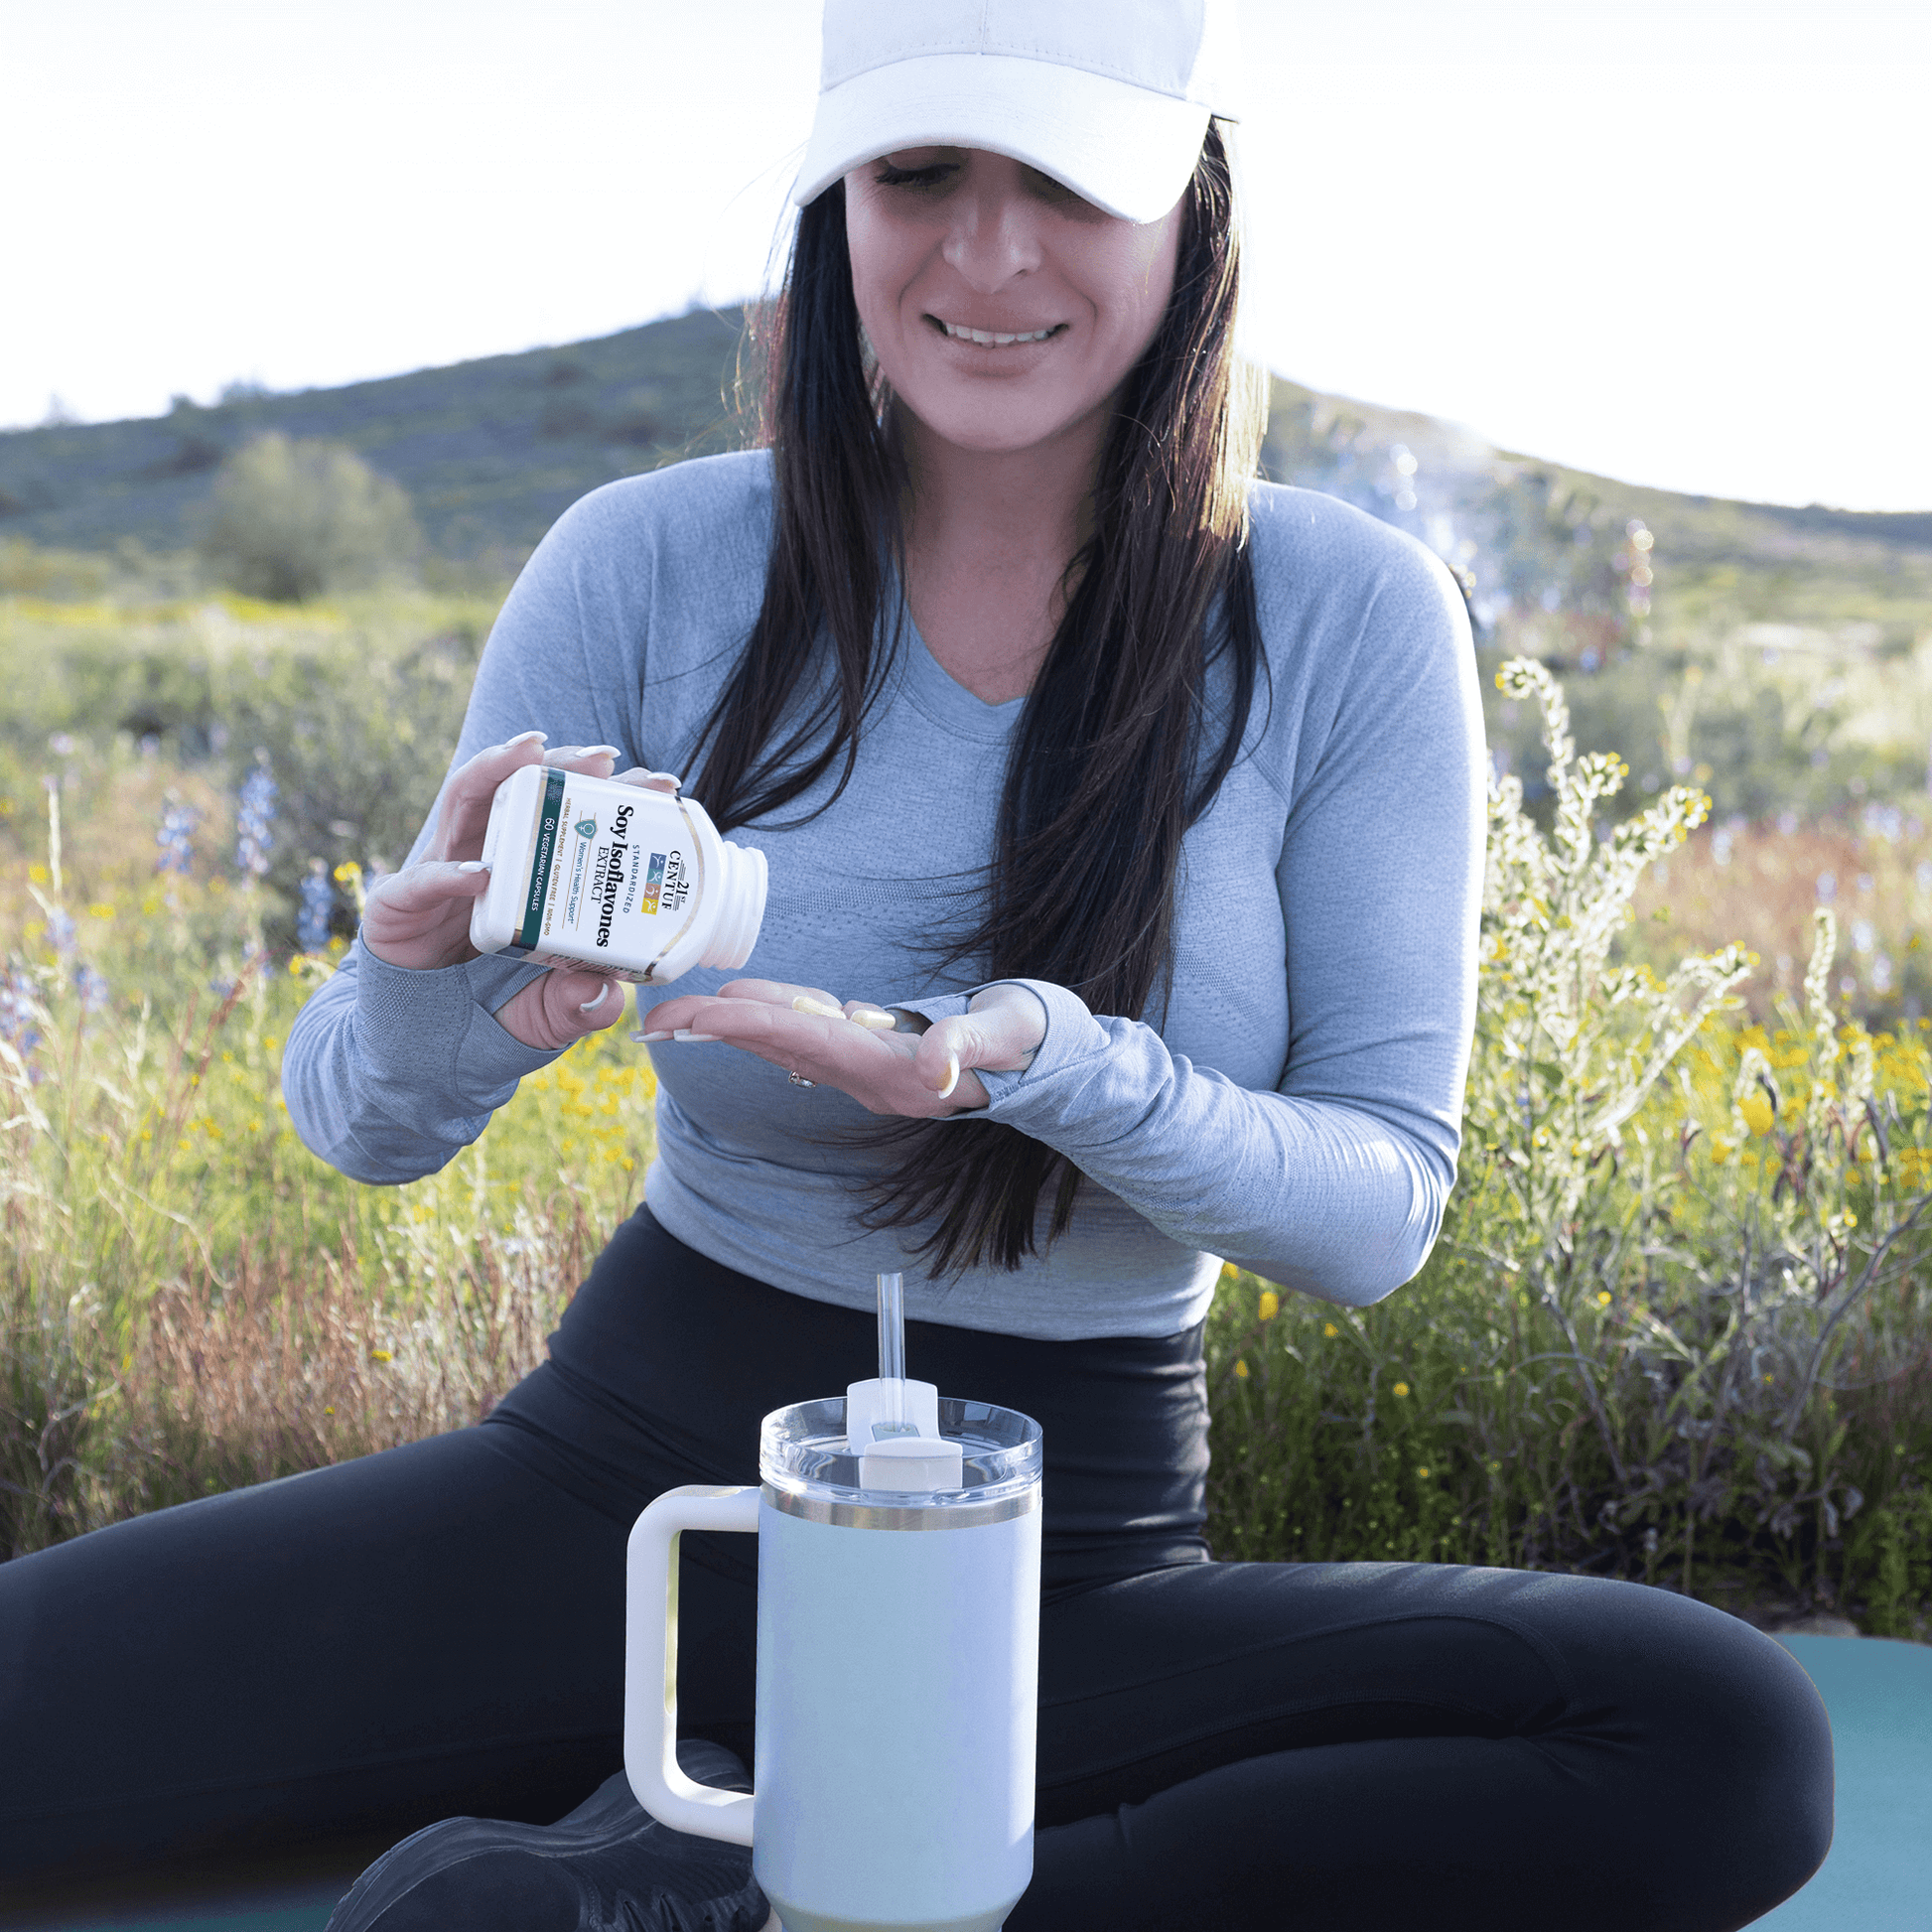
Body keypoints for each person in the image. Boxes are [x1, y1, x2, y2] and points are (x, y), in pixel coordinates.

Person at [2, 6, 1833, 1930]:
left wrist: (1029, 1056)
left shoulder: (1347, 618)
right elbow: (359, 1123)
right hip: (622, 1501)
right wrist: (424, 987)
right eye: (918, 177)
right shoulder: (641, 567)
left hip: (1063, 1578)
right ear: (833, 205)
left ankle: (763, 1891)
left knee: (1723, 1736)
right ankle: (819, 1842)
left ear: (1188, 208)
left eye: (1059, 182)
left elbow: (1378, 1207)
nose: (984, 254)